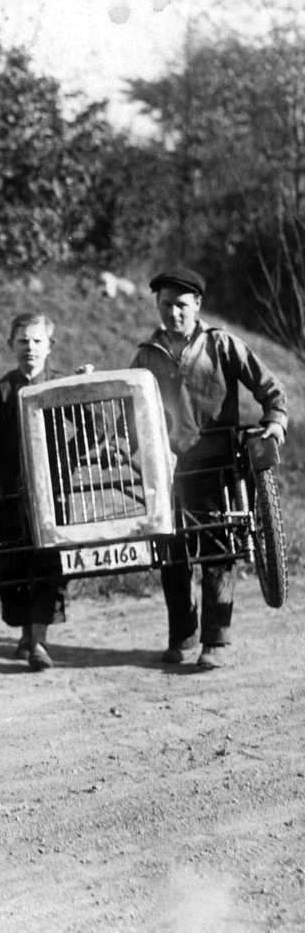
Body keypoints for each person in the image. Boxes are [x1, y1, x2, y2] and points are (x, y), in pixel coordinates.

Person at [132, 266, 288, 669]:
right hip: (168, 469)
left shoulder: (222, 345)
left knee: (218, 551)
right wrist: (117, 443)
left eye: (182, 306)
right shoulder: (146, 355)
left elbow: (269, 387)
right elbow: (128, 408)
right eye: (166, 305)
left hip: (218, 466)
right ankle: (181, 637)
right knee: (171, 553)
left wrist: (275, 420)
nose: (173, 314)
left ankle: (215, 641)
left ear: (197, 305)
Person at [0, 314, 67, 671]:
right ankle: (26, 634)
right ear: (11, 346)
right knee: (16, 567)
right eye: (23, 341)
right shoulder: (3, 390)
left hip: (53, 498)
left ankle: (39, 641)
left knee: (49, 565)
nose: (30, 349)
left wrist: (68, 464)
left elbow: (91, 426)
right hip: (12, 497)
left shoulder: (60, 386)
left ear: (50, 347)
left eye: (38, 341)